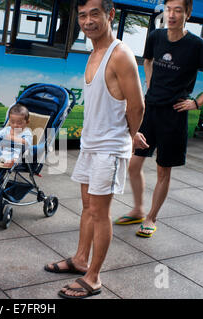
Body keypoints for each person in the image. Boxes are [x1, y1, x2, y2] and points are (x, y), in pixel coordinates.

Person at [44, 0, 145, 299]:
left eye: (94, 14)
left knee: (101, 213)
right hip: (91, 145)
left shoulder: (120, 54)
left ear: (110, 15)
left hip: (109, 149)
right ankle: (79, 260)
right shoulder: (94, 51)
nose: (87, 21)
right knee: (88, 207)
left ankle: (94, 277)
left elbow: (137, 104)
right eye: (83, 15)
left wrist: (130, 135)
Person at [114, 0, 203, 237]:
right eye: (169, 9)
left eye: (178, 10)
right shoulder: (156, 36)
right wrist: (149, 83)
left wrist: (197, 102)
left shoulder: (197, 45)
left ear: (187, 13)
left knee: (163, 170)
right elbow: (147, 60)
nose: (172, 14)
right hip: (150, 110)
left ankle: (151, 217)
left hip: (174, 115)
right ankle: (137, 209)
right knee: (133, 164)